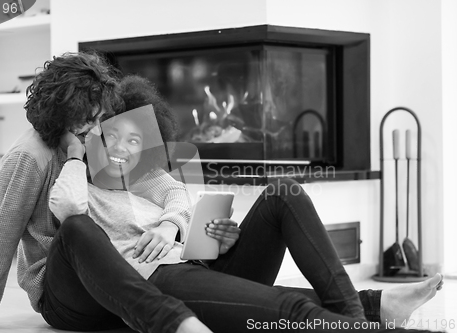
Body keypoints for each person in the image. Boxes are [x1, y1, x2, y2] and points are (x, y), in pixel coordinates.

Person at [48, 74, 445, 333]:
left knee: (282, 193)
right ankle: (372, 313)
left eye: (135, 141)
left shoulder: (144, 175)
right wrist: (74, 153)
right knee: (287, 307)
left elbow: (176, 196)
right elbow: (69, 212)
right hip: (160, 280)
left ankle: (362, 313)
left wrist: (177, 226)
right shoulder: (79, 179)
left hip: (194, 263)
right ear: (93, 132)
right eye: (111, 136)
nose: (121, 148)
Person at [0, 53, 211, 333]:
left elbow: (167, 186)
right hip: (63, 295)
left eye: (101, 115)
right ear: (65, 111)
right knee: (77, 227)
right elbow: (3, 236)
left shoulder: (94, 137)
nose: (100, 126)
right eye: (92, 116)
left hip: (111, 285)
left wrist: (170, 223)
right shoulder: (29, 157)